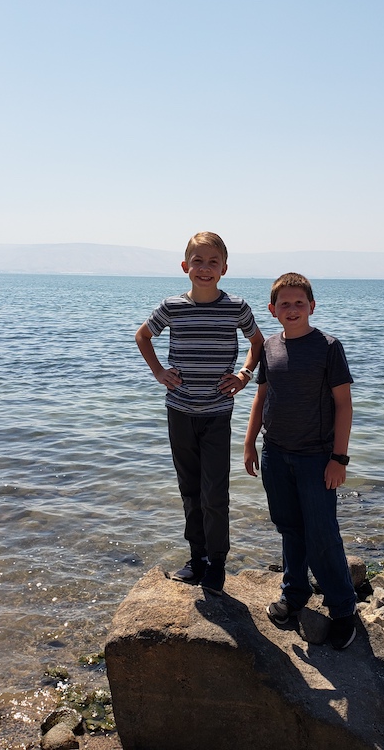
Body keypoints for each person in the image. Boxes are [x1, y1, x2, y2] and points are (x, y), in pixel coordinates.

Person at [135, 232, 264, 595]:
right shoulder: (171, 306)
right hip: (179, 410)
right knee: (189, 488)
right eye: (197, 261)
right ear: (185, 266)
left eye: (212, 262)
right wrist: (159, 372)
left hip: (218, 412)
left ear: (224, 268)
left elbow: (257, 343)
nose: (204, 269)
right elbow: (143, 336)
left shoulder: (236, 307)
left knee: (215, 490)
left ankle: (217, 563)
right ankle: (197, 558)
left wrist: (244, 374)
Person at [243, 272, 358, 650]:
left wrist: (338, 458)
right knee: (289, 529)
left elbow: (343, 404)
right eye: (285, 304)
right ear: (272, 310)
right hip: (275, 453)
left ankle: (343, 609)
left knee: (322, 533)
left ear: (312, 306)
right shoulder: (271, 348)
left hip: (315, 457)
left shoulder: (328, 347)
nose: (293, 309)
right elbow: (261, 399)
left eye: (300, 303)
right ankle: (294, 595)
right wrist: (249, 444)